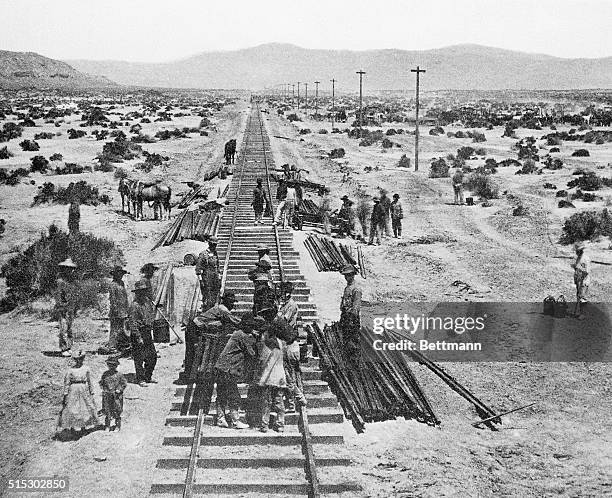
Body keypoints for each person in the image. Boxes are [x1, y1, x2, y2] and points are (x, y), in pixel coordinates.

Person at [214, 313, 259, 429]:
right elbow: (252, 353)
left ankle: (221, 418)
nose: (251, 328)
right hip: (228, 369)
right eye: (249, 326)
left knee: (222, 393)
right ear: (244, 325)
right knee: (234, 395)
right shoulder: (242, 336)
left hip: (221, 368)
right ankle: (235, 421)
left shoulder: (238, 333)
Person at [186, 292, 241, 378]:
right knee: (194, 352)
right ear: (225, 301)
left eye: (233, 302)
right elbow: (235, 321)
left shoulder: (220, 309)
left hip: (195, 327)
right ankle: (192, 375)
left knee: (193, 353)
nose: (232, 304)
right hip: (194, 328)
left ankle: (192, 374)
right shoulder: (223, 309)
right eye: (230, 302)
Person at [253, 306, 287, 433]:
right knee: (279, 402)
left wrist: (260, 378)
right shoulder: (280, 344)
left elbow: (265, 363)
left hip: (269, 378)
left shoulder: (268, 346)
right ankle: (280, 424)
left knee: (266, 402)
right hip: (279, 377)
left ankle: (264, 424)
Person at [277, 281, 306, 412]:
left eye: (283, 292)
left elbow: (283, 320)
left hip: (288, 342)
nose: (281, 295)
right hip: (286, 341)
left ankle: (296, 399)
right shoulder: (286, 304)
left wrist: (277, 315)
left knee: (288, 374)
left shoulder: (291, 305)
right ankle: (292, 401)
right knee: (288, 374)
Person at [57, 350, 98, 437]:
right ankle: (72, 427)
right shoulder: (70, 370)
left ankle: (84, 427)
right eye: (77, 359)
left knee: (85, 408)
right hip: (73, 390)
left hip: (83, 389)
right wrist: (65, 393)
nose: (79, 361)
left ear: (83, 359)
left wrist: (91, 390)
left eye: (81, 359)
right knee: (72, 408)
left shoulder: (86, 369)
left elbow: (90, 381)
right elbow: (67, 383)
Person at [129, 280, 157, 387]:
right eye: (140, 292)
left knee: (152, 356)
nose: (143, 294)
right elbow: (132, 323)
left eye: (144, 291)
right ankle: (140, 378)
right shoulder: (134, 306)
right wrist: (138, 337)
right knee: (139, 357)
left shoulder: (147, 303)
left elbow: (150, 316)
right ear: (137, 293)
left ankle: (148, 376)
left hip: (146, 332)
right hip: (138, 333)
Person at [55, 258, 78, 357]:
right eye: (68, 268)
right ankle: (64, 348)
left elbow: (73, 295)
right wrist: (62, 305)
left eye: (71, 269)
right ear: (64, 269)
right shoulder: (60, 281)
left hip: (70, 307)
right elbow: (58, 295)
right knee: (63, 328)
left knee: (69, 328)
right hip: (63, 308)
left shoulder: (71, 282)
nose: (71, 270)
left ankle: (69, 347)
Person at [339, 264, 362, 359]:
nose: (346, 277)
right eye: (345, 275)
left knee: (352, 341)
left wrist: (351, 319)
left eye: (348, 275)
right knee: (345, 339)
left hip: (351, 318)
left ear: (353, 275)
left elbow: (356, 307)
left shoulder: (356, 289)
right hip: (345, 316)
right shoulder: (347, 288)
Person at [100, 357, 127, 431]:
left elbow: (124, 384)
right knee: (107, 410)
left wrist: (119, 389)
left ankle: (117, 426)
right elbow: (101, 383)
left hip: (116, 396)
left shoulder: (119, 374)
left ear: (116, 366)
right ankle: (107, 426)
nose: (111, 367)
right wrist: (104, 389)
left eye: (113, 365)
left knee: (117, 410)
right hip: (107, 395)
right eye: (110, 365)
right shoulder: (105, 374)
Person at [107, 265, 130, 354]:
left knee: (123, 329)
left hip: (124, 310)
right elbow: (113, 299)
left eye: (121, 274)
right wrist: (116, 311)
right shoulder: (113, 285)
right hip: (116, 311)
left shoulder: (122, 283)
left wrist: (127, 310)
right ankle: (112, 347)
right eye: (118, 273)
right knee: (115, 329)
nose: (120, 275)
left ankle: (121, 345)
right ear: (115, 274)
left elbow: (125, 297)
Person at [195, 237, 220, 311]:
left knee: (215, 295)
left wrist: (219, 277)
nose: (214, 246)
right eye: (213, 244)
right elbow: (198, 269)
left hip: (215, 277)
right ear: (209, 244)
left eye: (215, 245)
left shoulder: (215, 253)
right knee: (207, 296)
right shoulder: (203, 254)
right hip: (207, 277)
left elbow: (217, 266)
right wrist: (201, 281)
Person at [572, 241, 591, 319]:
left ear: (580, 250)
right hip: (578, 280)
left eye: (577, 251)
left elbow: (587, 271)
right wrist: (574, 267)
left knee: (583, 296)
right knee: (578, 295)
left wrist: (578, 268)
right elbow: (577, 267)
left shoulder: (586, 259)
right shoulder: (578, 258)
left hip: (584, 281)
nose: (576, 252)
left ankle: (582, 314)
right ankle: (578, 312)